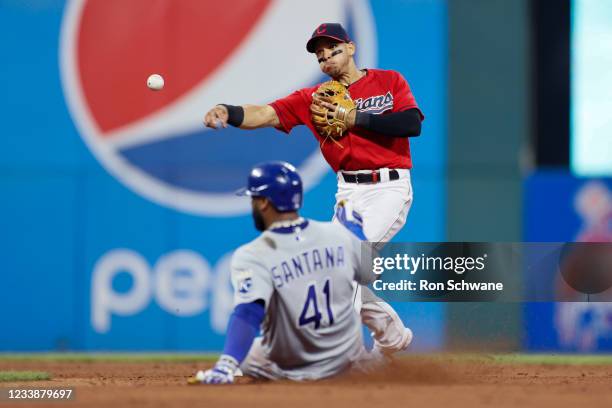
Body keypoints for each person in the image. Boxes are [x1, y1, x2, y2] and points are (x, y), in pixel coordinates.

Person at [203, 23, 420, 355]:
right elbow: (264, 113)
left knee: (344, 268)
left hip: (387, 188)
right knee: (334, 272)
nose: (324, 56)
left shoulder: (389, 81)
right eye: (318, 53)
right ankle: (392, 340)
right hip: (347, 193)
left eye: (330, 47)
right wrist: (228, 111)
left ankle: (376, 347)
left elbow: (411, 124)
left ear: (350, 47)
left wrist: (357, 119)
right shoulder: (314, 99)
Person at [192, 161, 377, 383]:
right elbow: (372, 273)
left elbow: (249, 313)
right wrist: (357, 232)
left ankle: (227, 368)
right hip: (345, 360)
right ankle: (366, 363)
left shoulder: (253, 254)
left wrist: (226, 365)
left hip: (294, 367)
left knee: (245, 356)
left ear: (263, 202)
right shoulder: (338, 235)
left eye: (253, 199)